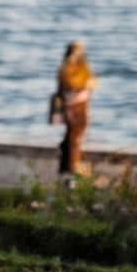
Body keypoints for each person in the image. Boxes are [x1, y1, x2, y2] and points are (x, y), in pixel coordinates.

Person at [51, 41, 94, 177]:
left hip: (79, 106)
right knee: (73, 139)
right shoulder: (69, 68)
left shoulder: (77, 68)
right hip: (74, 107)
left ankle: (68, 170)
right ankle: (71, 170)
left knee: (73, 139)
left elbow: (89, 86)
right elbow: (72, 86)